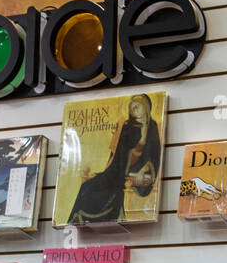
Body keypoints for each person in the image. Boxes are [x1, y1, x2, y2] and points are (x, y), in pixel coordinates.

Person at [64, 93, 161, 224]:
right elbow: (120, 155)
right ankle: (77, 218)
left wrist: (143, 139)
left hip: (139, 171)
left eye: (138, 106)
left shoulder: (152, 127)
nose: (135, 110)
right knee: (88, 185)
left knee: (109, 188)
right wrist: (105, 171)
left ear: (146, 107)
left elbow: (153, 155)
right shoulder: (127, 126)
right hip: (119, 169)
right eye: (132, 107)